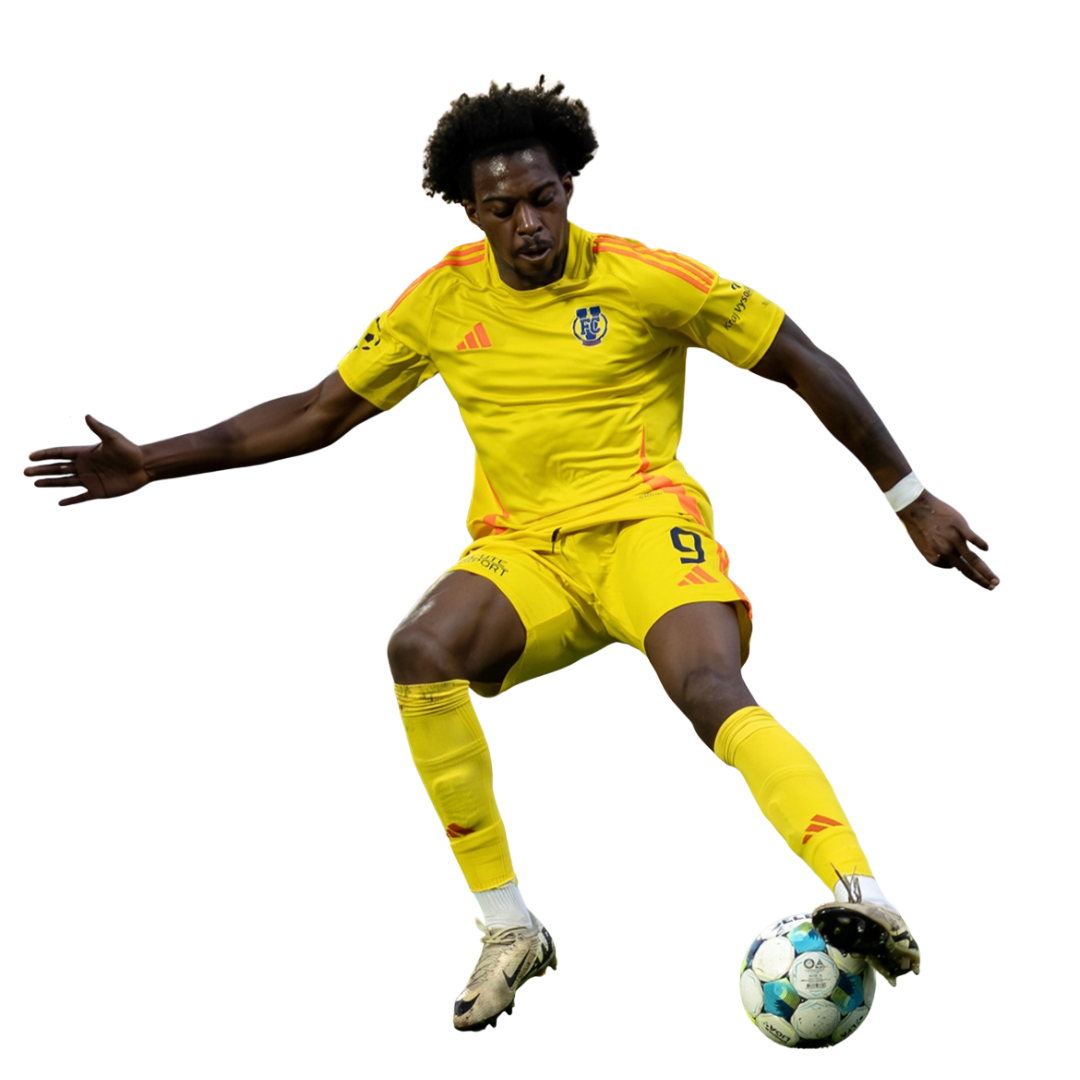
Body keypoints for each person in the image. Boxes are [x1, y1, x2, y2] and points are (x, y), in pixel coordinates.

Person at [24, 74, 998, 1034]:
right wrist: (152, 462)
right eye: (502, 209)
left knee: (708, 690)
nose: (528, 223)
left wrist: (910, 499)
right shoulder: (441, 302)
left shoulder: (646, 276)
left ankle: (865, 897)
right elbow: (319, 413)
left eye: (542, 197)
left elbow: (803, 361)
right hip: (526, 551)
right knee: (418, 650)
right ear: (471, 212)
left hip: (645, 533)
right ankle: (510, 927)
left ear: (570, 184)